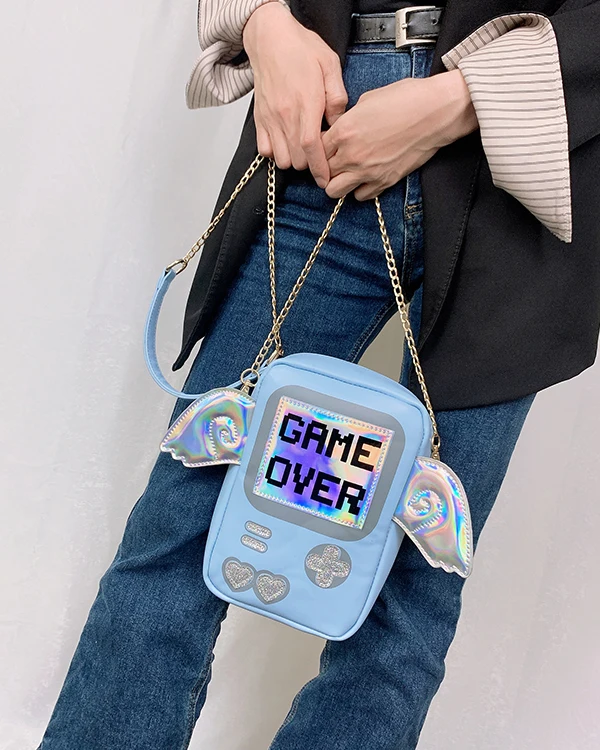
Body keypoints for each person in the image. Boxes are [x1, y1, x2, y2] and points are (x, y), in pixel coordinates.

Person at [37, 1, 600, 748]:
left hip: (527, 158)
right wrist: (265, 25)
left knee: (413, 586)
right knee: (183, 521)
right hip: (327, 123)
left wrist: (462, 97)